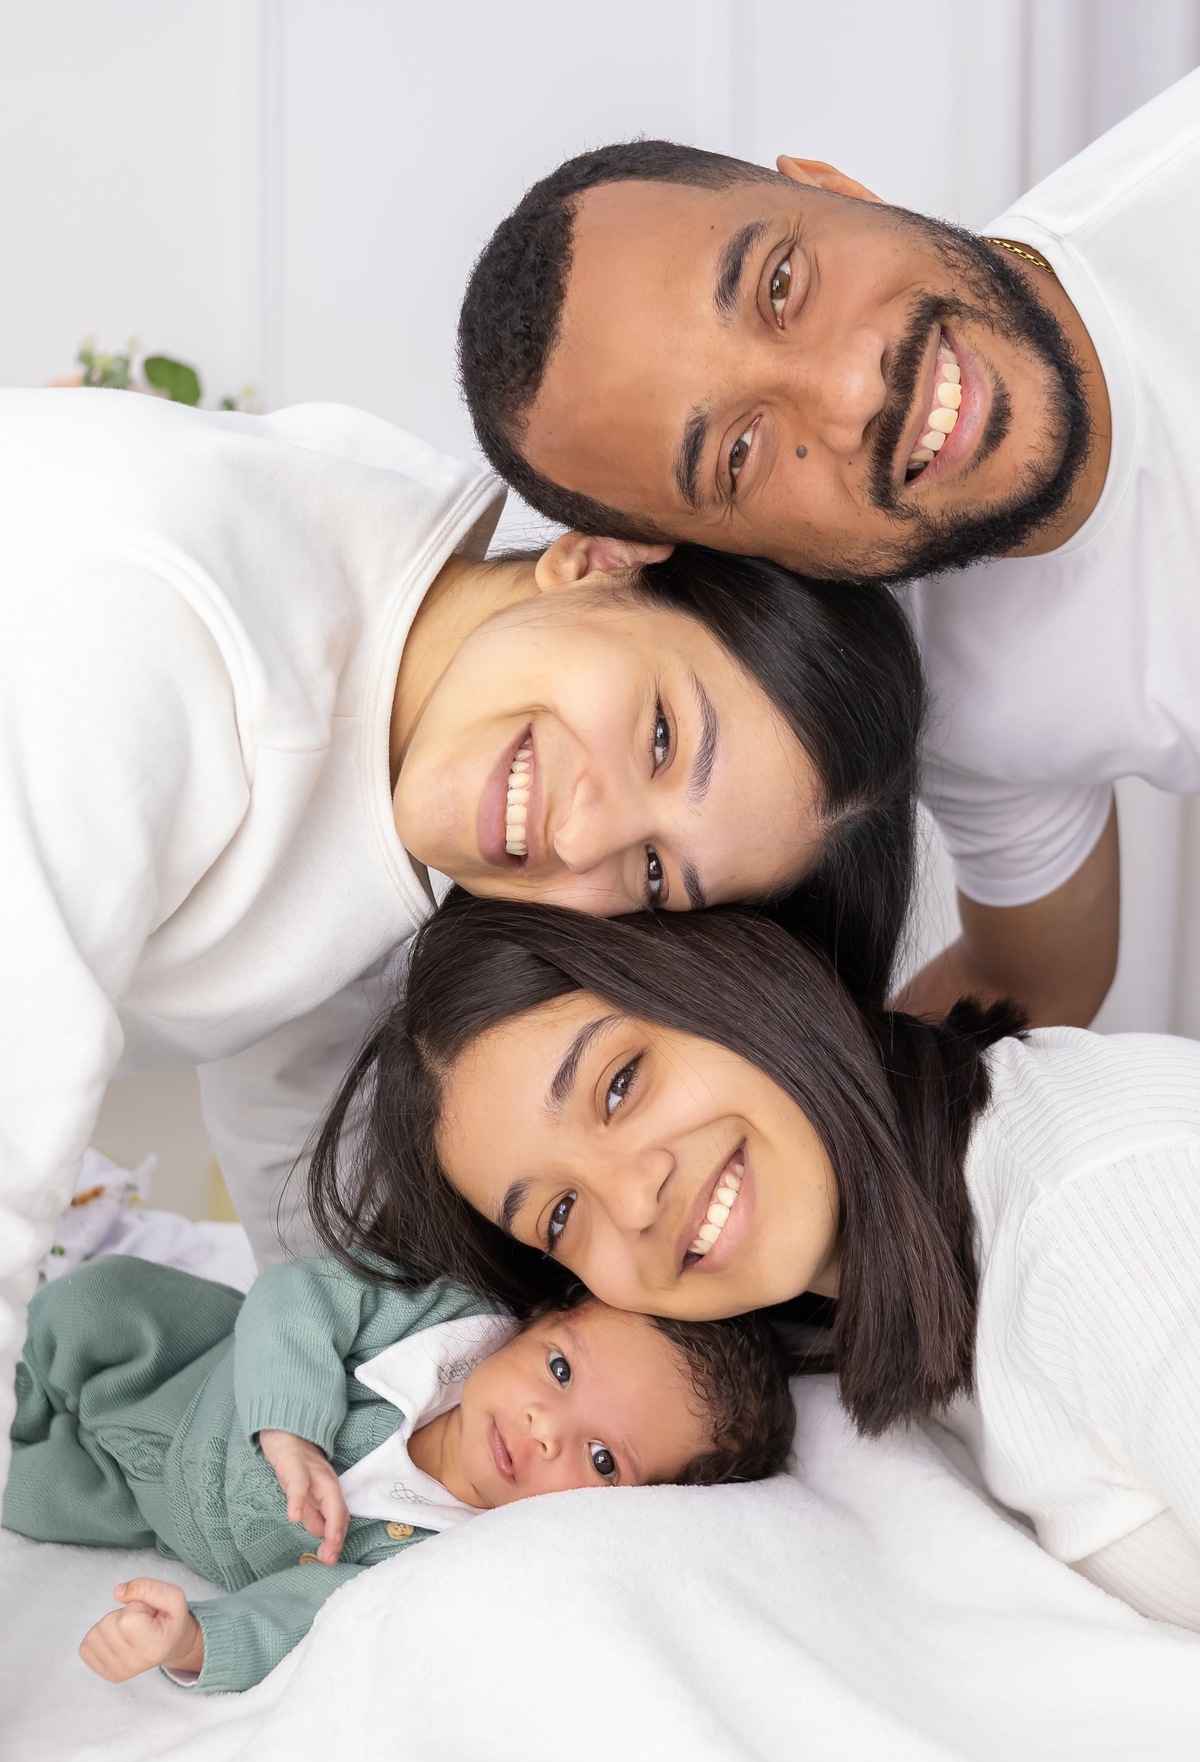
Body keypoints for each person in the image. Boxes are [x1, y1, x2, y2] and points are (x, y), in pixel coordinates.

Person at [0, 385, 924, 1486]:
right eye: (664, 735)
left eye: (656, 875)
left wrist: (369, 1420)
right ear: (606, 559)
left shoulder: (408, 765)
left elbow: (291, 1105)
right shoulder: (144, 630)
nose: (584, 834)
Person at [457, 69, 1200, 1032]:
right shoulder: (956, 697)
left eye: (780, 284)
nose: (853, 391)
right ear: (699, 549)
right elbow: (1036, 984)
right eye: (740, 450)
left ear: (833, 186)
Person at [308, 891, 1200, 1633]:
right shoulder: (848, 1302)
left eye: (620, 1084)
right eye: (562, 1213)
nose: (635, 1200)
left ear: (724, 966)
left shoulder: (1105, 1212)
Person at [4, 1250, 795, 1692]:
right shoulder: (438, 1322)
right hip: (196, 1367)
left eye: (600, 1458)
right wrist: (294, 1428)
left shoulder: (447, 1552)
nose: (543, 1429)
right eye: (558, 1370)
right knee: (90, 1303)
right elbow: (301, 1291)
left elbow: (309, 1611)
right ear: (539, 1322)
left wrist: (190, 1642)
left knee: (27, 1498)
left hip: (151, 1507)